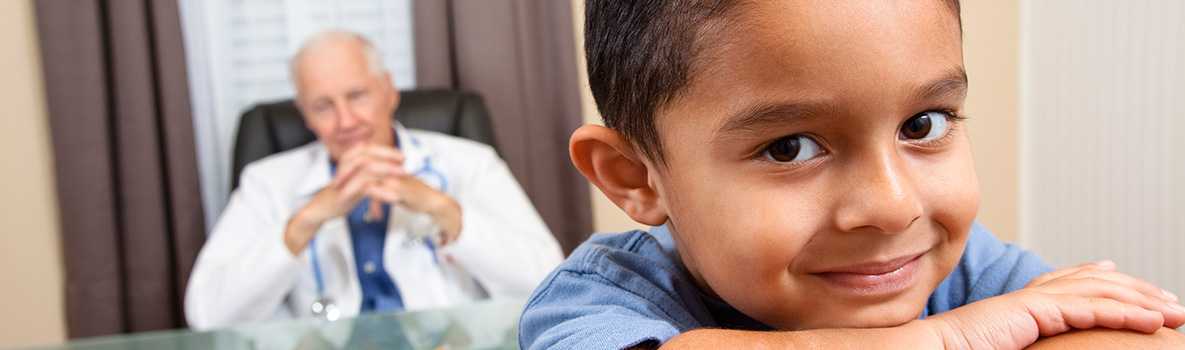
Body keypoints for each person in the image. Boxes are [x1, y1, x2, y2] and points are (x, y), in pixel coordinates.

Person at [519, 1, 1185, 349]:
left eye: (921, 125)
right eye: (788, 148)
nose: (891, 209)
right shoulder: (598, 300)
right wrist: (945, 340)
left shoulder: (965, 270)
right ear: (634, 176)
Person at [185, 30, 563, 329]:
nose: (346, 121)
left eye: (357, 96)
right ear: (304, 114)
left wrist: (443, 210)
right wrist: (305, 222)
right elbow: (207, 315)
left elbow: (548, 284)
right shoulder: (267, 182)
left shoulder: (469, 162)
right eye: (323, 106)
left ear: (388, 91)